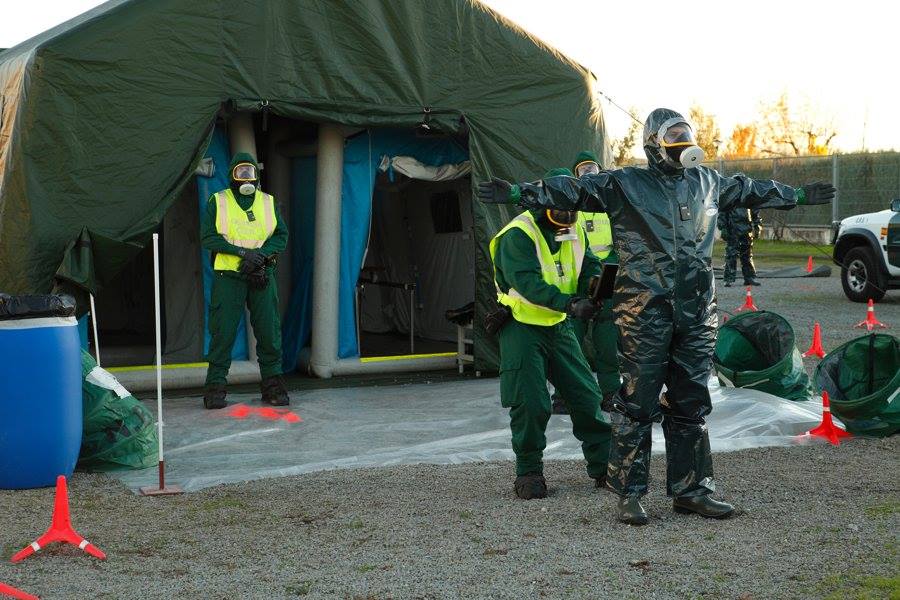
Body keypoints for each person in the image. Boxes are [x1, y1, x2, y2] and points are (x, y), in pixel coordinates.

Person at [478, 108, 835, 524]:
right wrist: (523, 193)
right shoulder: (626, 184)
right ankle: (629, 493)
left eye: (686, 136)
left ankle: (692, 489)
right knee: (636, 404)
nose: (683, 145)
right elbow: (573, 190)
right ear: (654, 143)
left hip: (696, 312)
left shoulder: (707, 181)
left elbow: (750, 188)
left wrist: (798, 196)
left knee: (691, 403)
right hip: (644, 312)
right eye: (674, 137)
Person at [489, 180, 612, 499]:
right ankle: (529, 472)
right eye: (560, 208)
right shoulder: (519, 234)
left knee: (586, 395)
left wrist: (593, 289)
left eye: (572, 209)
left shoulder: (574, 228)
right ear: (544, 203)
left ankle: (606, 467)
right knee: (529, 401)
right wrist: (571, 304)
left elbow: (589, 265)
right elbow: (528, 283)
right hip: (521, 324)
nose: (567, 215)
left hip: (558, 325)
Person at [200, 152, 290, 409]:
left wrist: (260, 257)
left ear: (257, 175)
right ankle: (215, 387)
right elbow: (208, 237)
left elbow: (281, 236)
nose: (246, 178)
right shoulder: (218, 201)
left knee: (269, 331)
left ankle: (273, 385)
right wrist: (242, 253)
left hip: (262, 275)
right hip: (228, 277)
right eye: (241, 172)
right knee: (223, 332)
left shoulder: (268, 202)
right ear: (232, 175)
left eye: (249, 172)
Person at [550, 154, 621, 414]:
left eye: (591, 167)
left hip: (607, 276)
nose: (587, 173)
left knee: (607, 340)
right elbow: (562, 243)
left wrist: (611, 268)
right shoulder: (569, 206)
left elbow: (622, 241)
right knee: (571, 341)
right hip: (578, 278)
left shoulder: (611, 203)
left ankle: (611, 393)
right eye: (582, 169)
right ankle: (564, 396)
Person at [717, 206, 759, 286]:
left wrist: (757, 227)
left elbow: (755, 213)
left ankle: (749, 277)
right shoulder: (731, 196)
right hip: (733, 230)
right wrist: (723, 227)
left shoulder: (748, 198)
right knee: (731, 255)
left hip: (747, 230)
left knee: (747, 255)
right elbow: (722, 212)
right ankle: (729, 279)